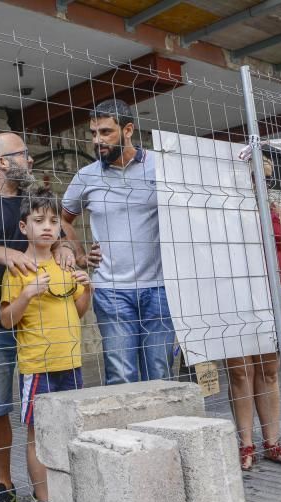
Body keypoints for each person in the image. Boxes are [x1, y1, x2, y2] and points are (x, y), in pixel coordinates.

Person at [0, 132, 77, 502]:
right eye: (23, 155)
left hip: (48, 326)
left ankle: (46, 491)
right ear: (2, 162)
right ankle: (4, 487)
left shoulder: (36, 200)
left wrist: (67, 246)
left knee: (46, 411)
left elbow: (67, 239)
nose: (31, 161)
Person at [61, 99, 175, 385]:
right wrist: (79, 255)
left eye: (105, 132)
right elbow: (62, 219)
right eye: (93, 133)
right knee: (121, 378)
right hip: (111, 291)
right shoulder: (86, 176)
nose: (97, 140)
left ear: (127, 130)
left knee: (159, 375)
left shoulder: (160, 167)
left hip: (160, 289)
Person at [0, 188, 91, 502]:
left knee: (70, 431)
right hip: (38, 365)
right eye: (39, 221)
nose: (48, 227)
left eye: (54, 221)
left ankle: (71, 492)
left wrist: (87, 286)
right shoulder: (17, 271)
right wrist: (26, 294)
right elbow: (7, 319)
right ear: (24, 227)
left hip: (71, 361)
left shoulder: (64, 264)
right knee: (38, 435)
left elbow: (78, 311)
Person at [228, 155, 281, 471]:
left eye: (263, 177)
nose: (258, 182)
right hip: (236, 301)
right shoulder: (226, 212)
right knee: (241, 371)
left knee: (269, 371)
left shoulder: (277, 213)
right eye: (253, 176)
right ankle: (246, 444)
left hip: (274, 300)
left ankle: (272, 441)